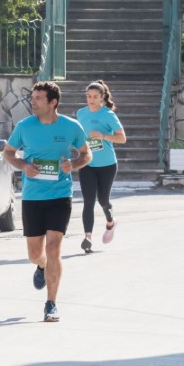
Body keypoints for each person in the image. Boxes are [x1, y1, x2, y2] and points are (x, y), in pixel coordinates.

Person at [4, 81, 91, 322]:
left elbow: (86, 154)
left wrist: (73, 164)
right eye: (32, 97)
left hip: (60, 196)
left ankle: (51, 304)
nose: (32, 102)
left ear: (53, 102)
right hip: (32, 197)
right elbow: (8, 153)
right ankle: (41, 266)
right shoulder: (24, 127)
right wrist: (24, 165)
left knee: (53, 248)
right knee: (35, 254)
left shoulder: (71, 127)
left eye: (38, 98)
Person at [74, 80, 125, 254]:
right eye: (89, 96)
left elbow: (122, 138)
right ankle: (87, 237)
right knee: (88, 201)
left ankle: (111, 222)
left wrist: (103, 136)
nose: (91, 100)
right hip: (87, 163)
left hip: (107, 164)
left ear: (102, 97)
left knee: (103, 200)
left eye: (95, 97)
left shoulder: (108, 115)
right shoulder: (81, 113)